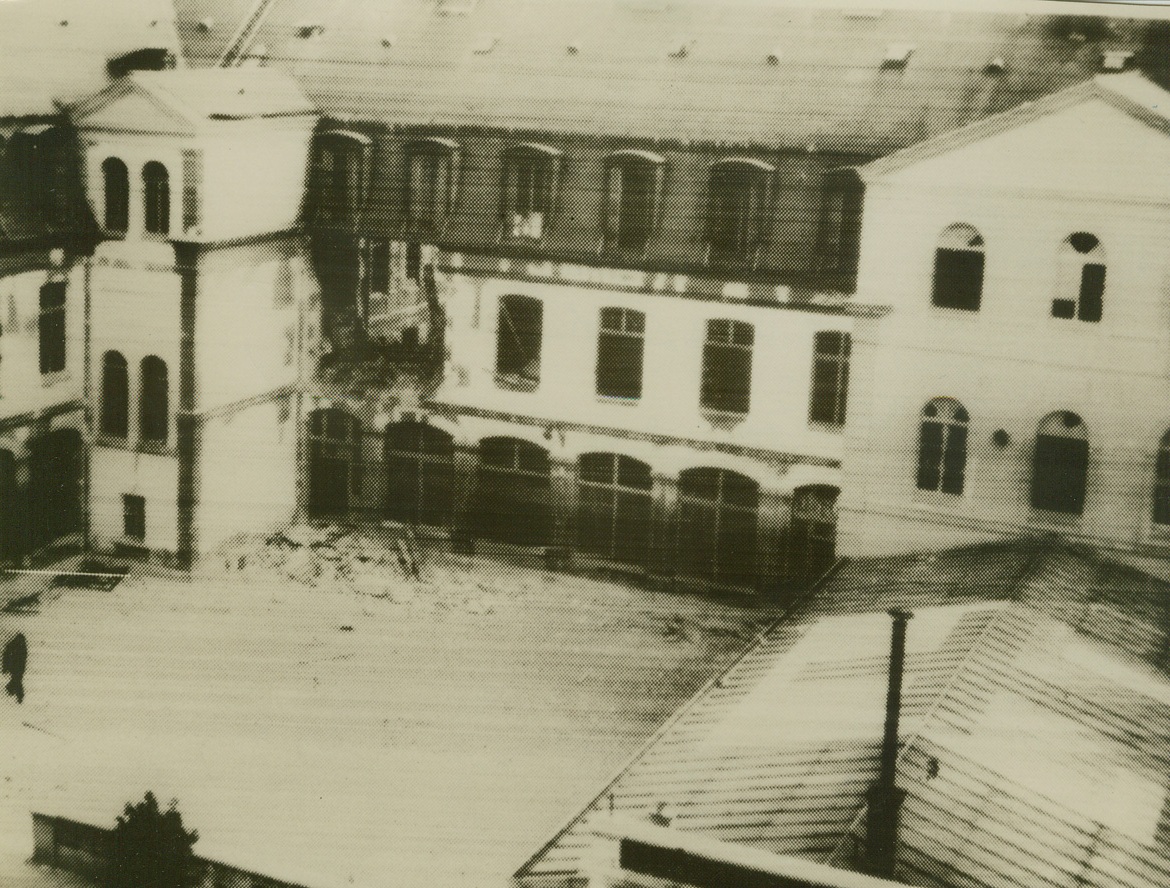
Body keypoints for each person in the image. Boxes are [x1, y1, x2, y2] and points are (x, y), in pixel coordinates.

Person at [2, 632, 26, 704]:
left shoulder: (12, 645)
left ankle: (11, 691)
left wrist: (5, 667)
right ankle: (14, 693)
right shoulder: (20, 646)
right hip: (17, 667)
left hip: (15, 667)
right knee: (17, 680)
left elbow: (6, 655)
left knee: (16, 680)